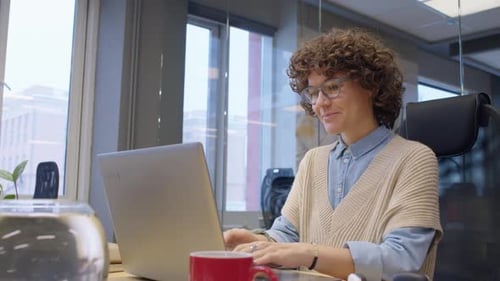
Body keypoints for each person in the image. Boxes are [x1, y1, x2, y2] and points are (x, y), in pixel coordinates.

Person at [224, 28, 443, 281]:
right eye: (314, 92)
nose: (320, 103)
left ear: (370, 85)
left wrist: (309, 254)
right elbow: (286, 236)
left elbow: (401, 261)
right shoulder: (313, 161)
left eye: (332, 87)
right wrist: (257, 242)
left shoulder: (414, 159)